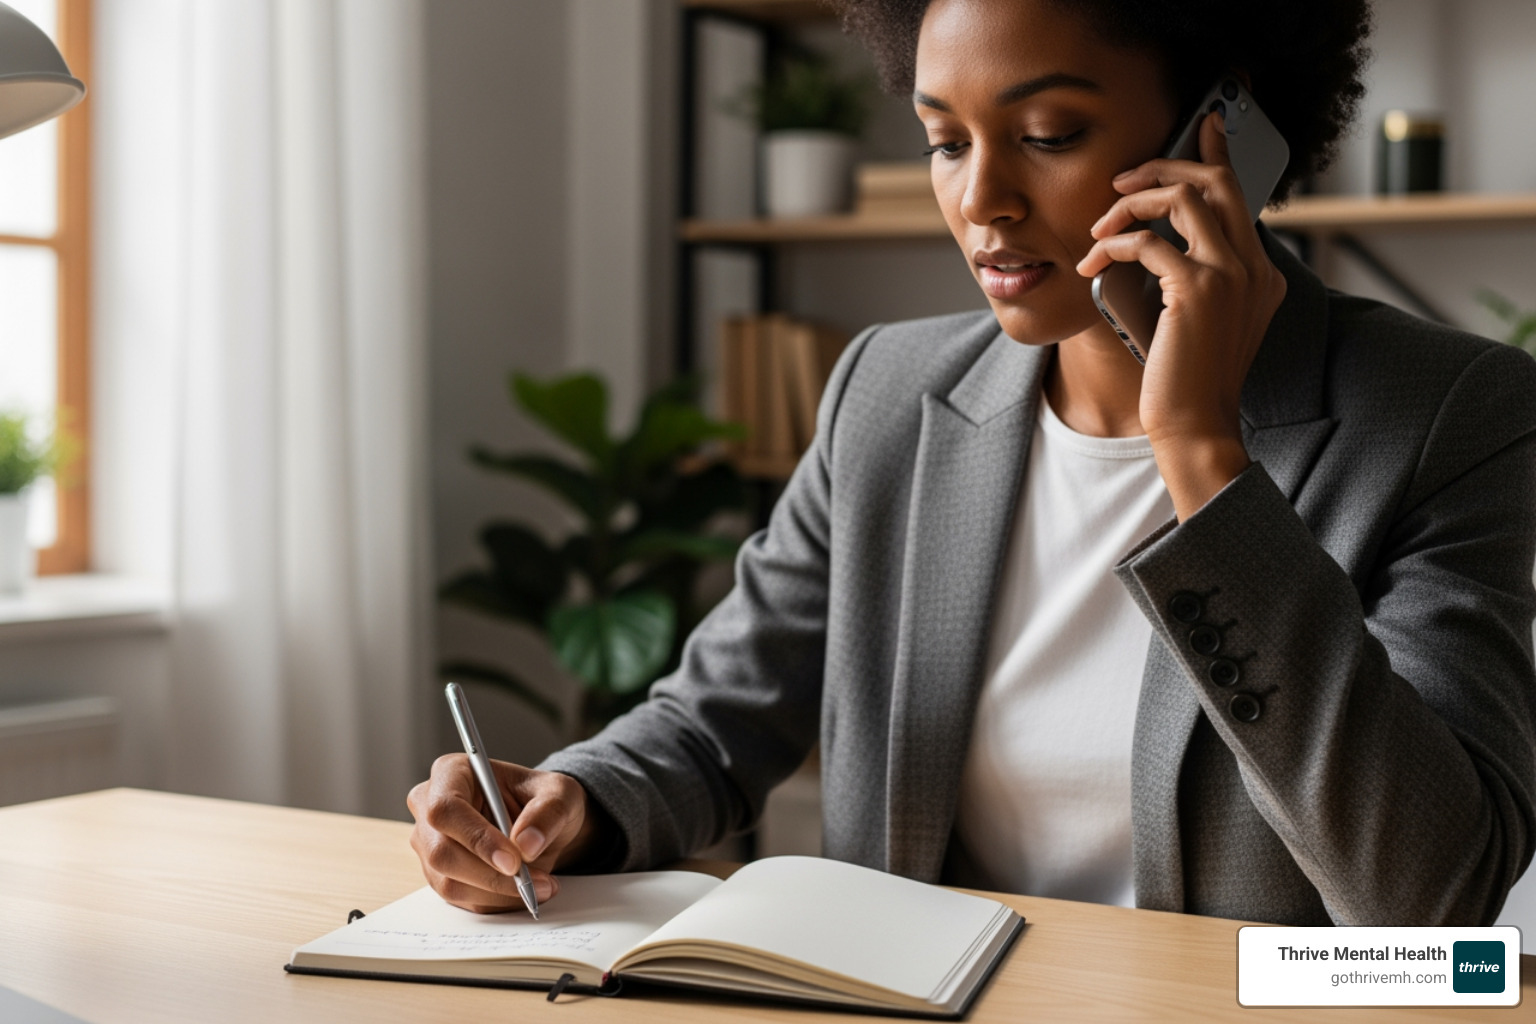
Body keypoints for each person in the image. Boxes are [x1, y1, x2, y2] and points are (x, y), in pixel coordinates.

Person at [408, 0, 1536, 926]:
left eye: (1046, 134)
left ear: (1221, 136)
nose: (981, 201)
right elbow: (715, 718)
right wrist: (572, 798)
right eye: (945, 140)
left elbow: (1428, 902)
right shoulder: (885, 394)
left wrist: (1202, 454)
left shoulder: (1448, 415)